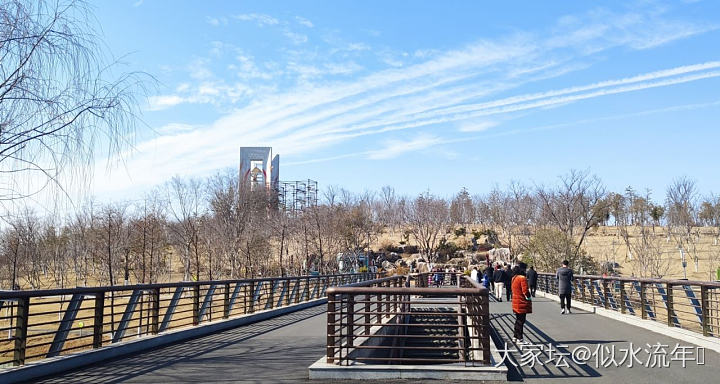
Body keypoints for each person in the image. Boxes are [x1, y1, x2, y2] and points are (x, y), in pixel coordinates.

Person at [511, 262, 532, 344]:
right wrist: (529, 297)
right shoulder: (522, 278)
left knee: (518, 320)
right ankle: (520, 338)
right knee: (521, 321)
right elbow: (525, 291)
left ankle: (515, 336)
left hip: (515, 301)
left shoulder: (514, 277)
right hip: (521, 302)